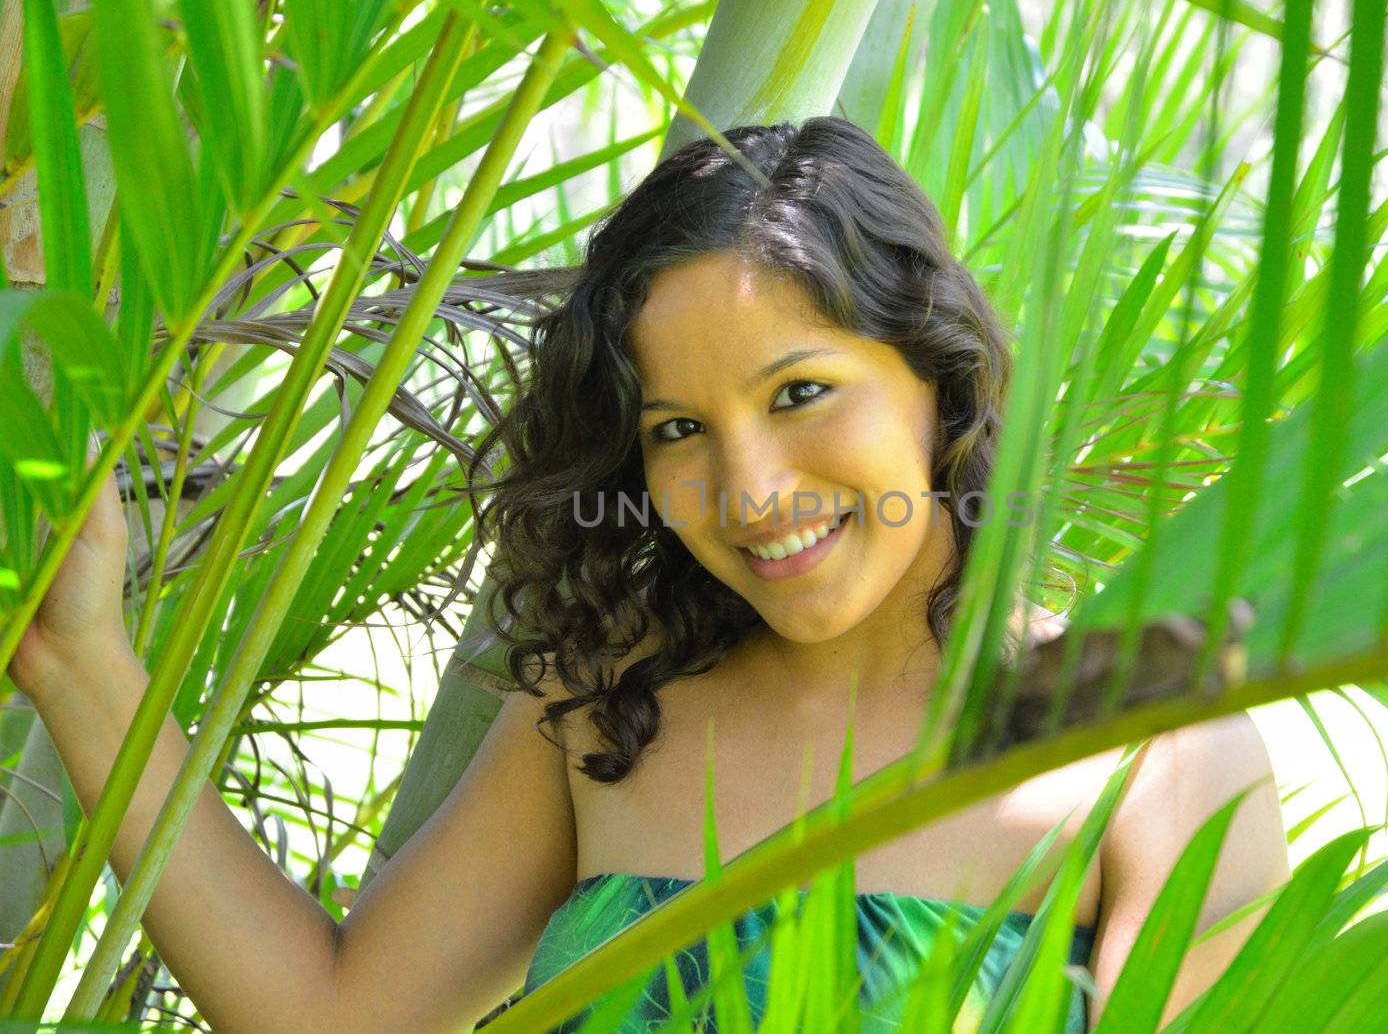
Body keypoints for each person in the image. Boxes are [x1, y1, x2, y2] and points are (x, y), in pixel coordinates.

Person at [9, 116, 1288, 1033]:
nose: (750, 491)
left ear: (938, 375)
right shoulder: (609, 709)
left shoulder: (1150, 747)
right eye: (677, 429)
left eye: (800, 393)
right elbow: (334, 1018)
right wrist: (79, 657)